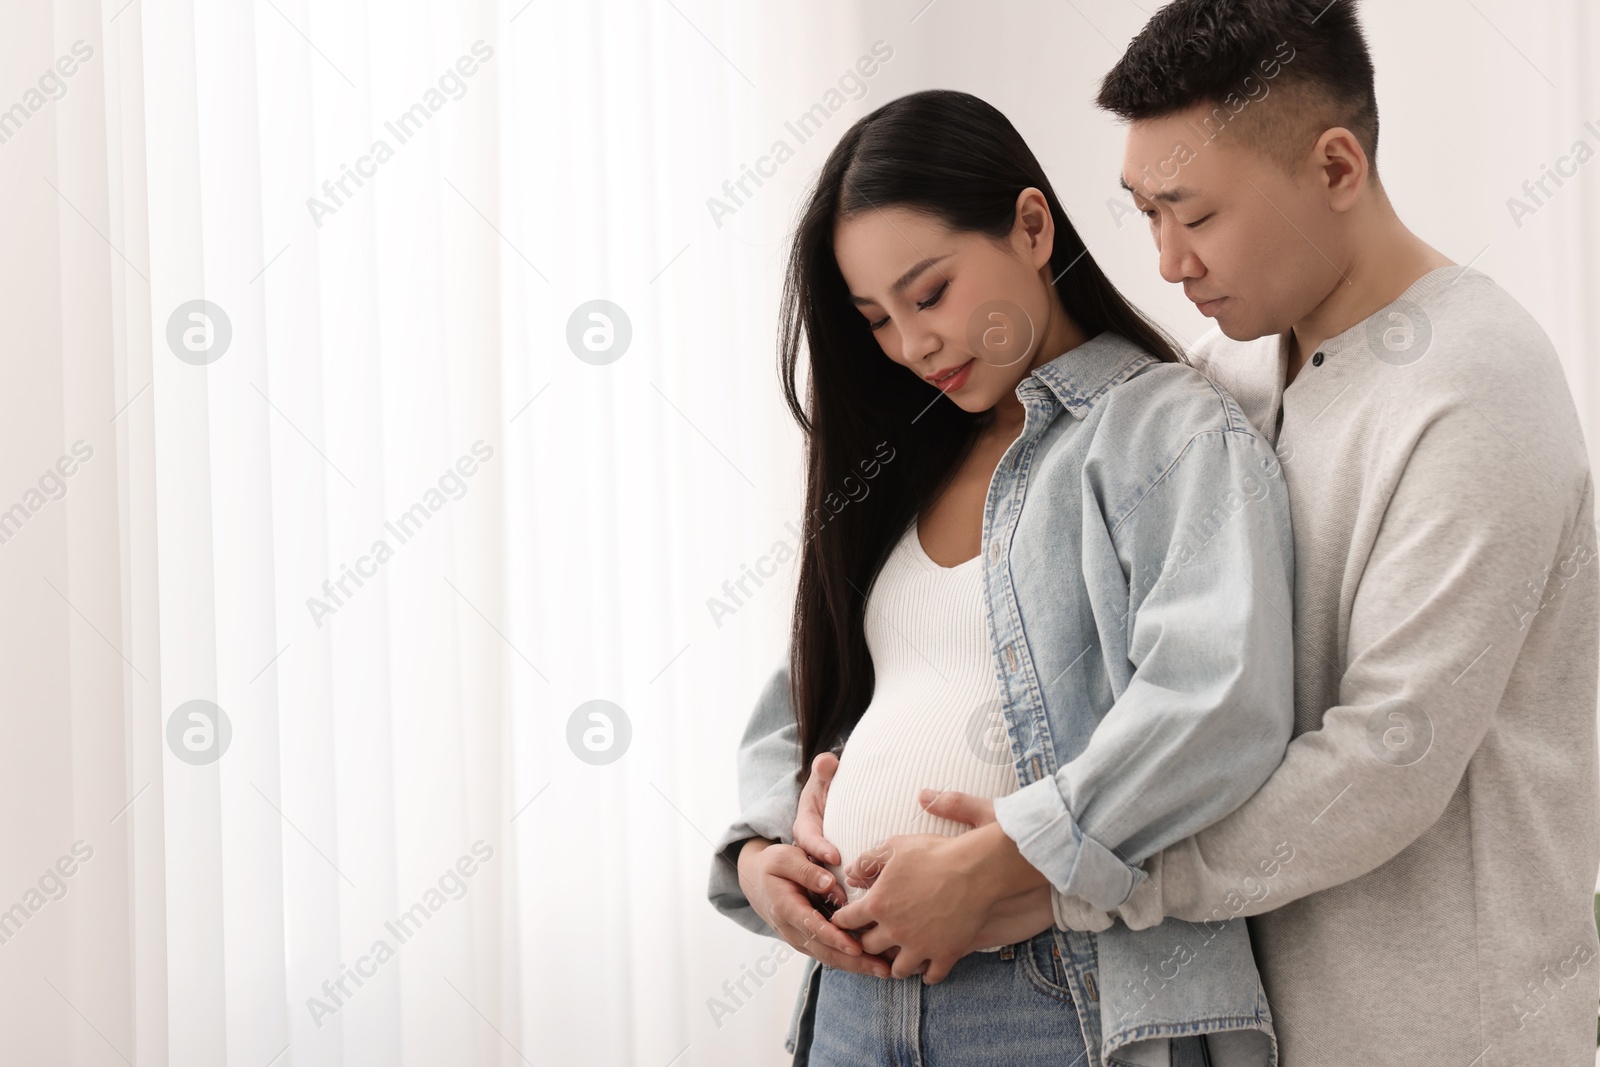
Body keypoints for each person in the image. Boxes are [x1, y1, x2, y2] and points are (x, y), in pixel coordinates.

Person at [798, 3, 1600, 1065]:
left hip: (1439, 1032)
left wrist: (1048, 876)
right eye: (1144, 214)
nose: (1168, 263)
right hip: (1252, 1027)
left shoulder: (1474, 384)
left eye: (1195, 214)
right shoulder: (1224, 377)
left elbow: (1383, 762)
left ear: (1335, 165)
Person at [706, 87, 1297, 1066]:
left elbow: (1218, 699)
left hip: (1056, 994)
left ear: (1030, 226)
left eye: (928, 292)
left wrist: (1008, 852)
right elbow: (801, 703)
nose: (910, 343)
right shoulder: (904, 467)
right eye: (875, 319)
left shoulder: (1164, 432)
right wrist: (762, 853)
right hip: (853, 999)